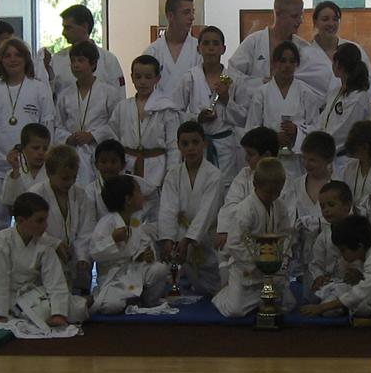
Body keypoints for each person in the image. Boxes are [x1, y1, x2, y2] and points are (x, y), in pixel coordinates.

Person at [0, 38, 54, 229]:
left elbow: (48, 125)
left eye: (18, 55)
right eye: (7, 56)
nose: (13, 59)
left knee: (34, 217)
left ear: (26, 59)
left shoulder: (39, 89)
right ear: (0, 60)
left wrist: (48, 158)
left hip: (32, 167)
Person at [214, 158, 296, 319]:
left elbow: (286, 234)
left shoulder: (279, 206)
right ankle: (222, 295)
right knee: (235, 310)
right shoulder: (245, 210)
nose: (273, 196)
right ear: (255, 185)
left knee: (287, 304)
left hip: (272, 267)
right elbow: (235, 243)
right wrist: (256, 266)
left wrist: (283, 260)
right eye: (268, 192)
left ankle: (262, 298)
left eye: (277, 192)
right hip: (246, 269)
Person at [0, 192, 80, 329]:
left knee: (75, 310)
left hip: (36, 293)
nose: (45, 226)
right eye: (39, 221)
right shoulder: (2, 240)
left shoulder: (45, 243)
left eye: (45, 220)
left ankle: (78, 303)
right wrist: (0, 315)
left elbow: (55, 280)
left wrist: (58, 314)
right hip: (12, 296)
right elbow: (0, 279)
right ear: (21, 220)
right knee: (40, 313)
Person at [169, 25, 246, 179]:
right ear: (199, 49)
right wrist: (197, 118)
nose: (211, 48)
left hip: (225, 147)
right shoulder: (190, 78)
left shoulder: (234, 78)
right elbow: (174, 114)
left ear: (223, 49)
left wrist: (226, 100)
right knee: (198, 185)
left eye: (215, 44)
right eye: (206, 43)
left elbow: (244, 118)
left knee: (224, 186)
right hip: (196, 146)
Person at [158, 120, 224, 295]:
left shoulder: (214, 175)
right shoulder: (173, 174)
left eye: (195, 142)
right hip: (181, 236)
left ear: (204, 143)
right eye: (185, 144)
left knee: (214, 288)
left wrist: (189, 239)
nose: (191, 148)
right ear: (178, 146)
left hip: (206, 237)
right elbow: (167, 209)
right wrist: (167, 238)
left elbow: (206, 212)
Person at [90, 175, 171, 314]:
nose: (142, 195)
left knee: (160, 269)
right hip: (114, 278)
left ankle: (146, 300)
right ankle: (117, 298)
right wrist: (113, 240)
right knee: (111, 306)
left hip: (134, 270)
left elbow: (142, 246)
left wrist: (144, 255)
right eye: (138, 192)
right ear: (128, 199)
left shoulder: (135, 221)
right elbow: (95, 253)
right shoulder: (107, 223)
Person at [113, 55, 181, 217]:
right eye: (138, 77)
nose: (143, 81)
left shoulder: (167, 108)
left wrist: (170, 174)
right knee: (128, 211)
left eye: (148, 77)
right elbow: (114, 137)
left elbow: (173, 146)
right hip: (129, 165)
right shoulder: (123, 107)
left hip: (157, 168)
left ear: (157, 78)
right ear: (132, 78)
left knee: (156, 214)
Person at [228, 0, 332, 94]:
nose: (300, 21)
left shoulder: (304, 48)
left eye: (301, 16)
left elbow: (318, 81)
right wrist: (261, 83)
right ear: (278, 14)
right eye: (294, 16)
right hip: (255, 102)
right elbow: (231, 75)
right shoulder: (254, 42)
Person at [246, 40, 322, 181]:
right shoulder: (261, 93)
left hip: (297, 163)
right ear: (274, 63)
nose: (287, 65)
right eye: (282, 60)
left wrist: (297, 131)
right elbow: (252, 129)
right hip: (269, 161)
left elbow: (316, 129)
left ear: (297, 65)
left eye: (292, 61)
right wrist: (273, 138)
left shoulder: (306, 93)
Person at [31, 144, 99, 300]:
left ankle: (81, 294)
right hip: (44, 255)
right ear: (49, 173)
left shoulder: (82, 195)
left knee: (76, 297)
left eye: (74, 177)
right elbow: (31, 229)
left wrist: (82, 256)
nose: (70, 182)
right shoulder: (36, 194)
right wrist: (54, 244)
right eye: (64, 178)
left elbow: (87, 229)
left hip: (73, 256)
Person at [54, 39, 120, 183]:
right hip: (72, 152)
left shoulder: (109, 93)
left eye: (81, 60)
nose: (76, 65)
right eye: (73, 61)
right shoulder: (64, 95)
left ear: (93, 63)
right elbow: (58, 125)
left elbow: (116, 124)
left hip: (99, 151)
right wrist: (68, 138)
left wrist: (93, 135)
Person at [44, 4, 126, 96]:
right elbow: (48, 95)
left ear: (84, 26)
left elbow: (119, 97)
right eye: (64, 27)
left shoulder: (108, 60)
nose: (64, 33)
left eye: (68, 28)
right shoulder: (57, 59)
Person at [290, 131, 337, 280]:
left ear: (328, 160)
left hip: (331, 258)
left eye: (313, 160)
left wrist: (318, 224)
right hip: (302, 260)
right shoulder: (296, 185)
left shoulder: (338, 185)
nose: (306, 164)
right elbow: (290, 219)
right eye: (304, 158)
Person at [313, 42, 371, 152]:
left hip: (345, 156)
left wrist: (320, 147)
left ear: (339, 65)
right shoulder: (335, 92)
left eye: (333, 61)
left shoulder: (358, 97)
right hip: (328, 152)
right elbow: (322, 122)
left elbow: (344, 133)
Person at [310, 0, 371, 90]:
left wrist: (353, 98)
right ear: (315, 22)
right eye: (325, 19)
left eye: (335, 19)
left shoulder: (354, 49)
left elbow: (369, 83)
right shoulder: (305, 53)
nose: (331, 24)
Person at [143, 0, 200, 93]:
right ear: (170, 16)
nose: (192, 17)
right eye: (186, 13)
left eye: (193, 12)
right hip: (159, 103)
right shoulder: (153, 51)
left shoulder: (199, 49)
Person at [1, 122, 53, 207]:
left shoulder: (53, 173)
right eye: (36, 148)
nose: (41, 152)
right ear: (23, 148)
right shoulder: (14, 173)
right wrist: (15, 170)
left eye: (45, 149)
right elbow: (9, 202)